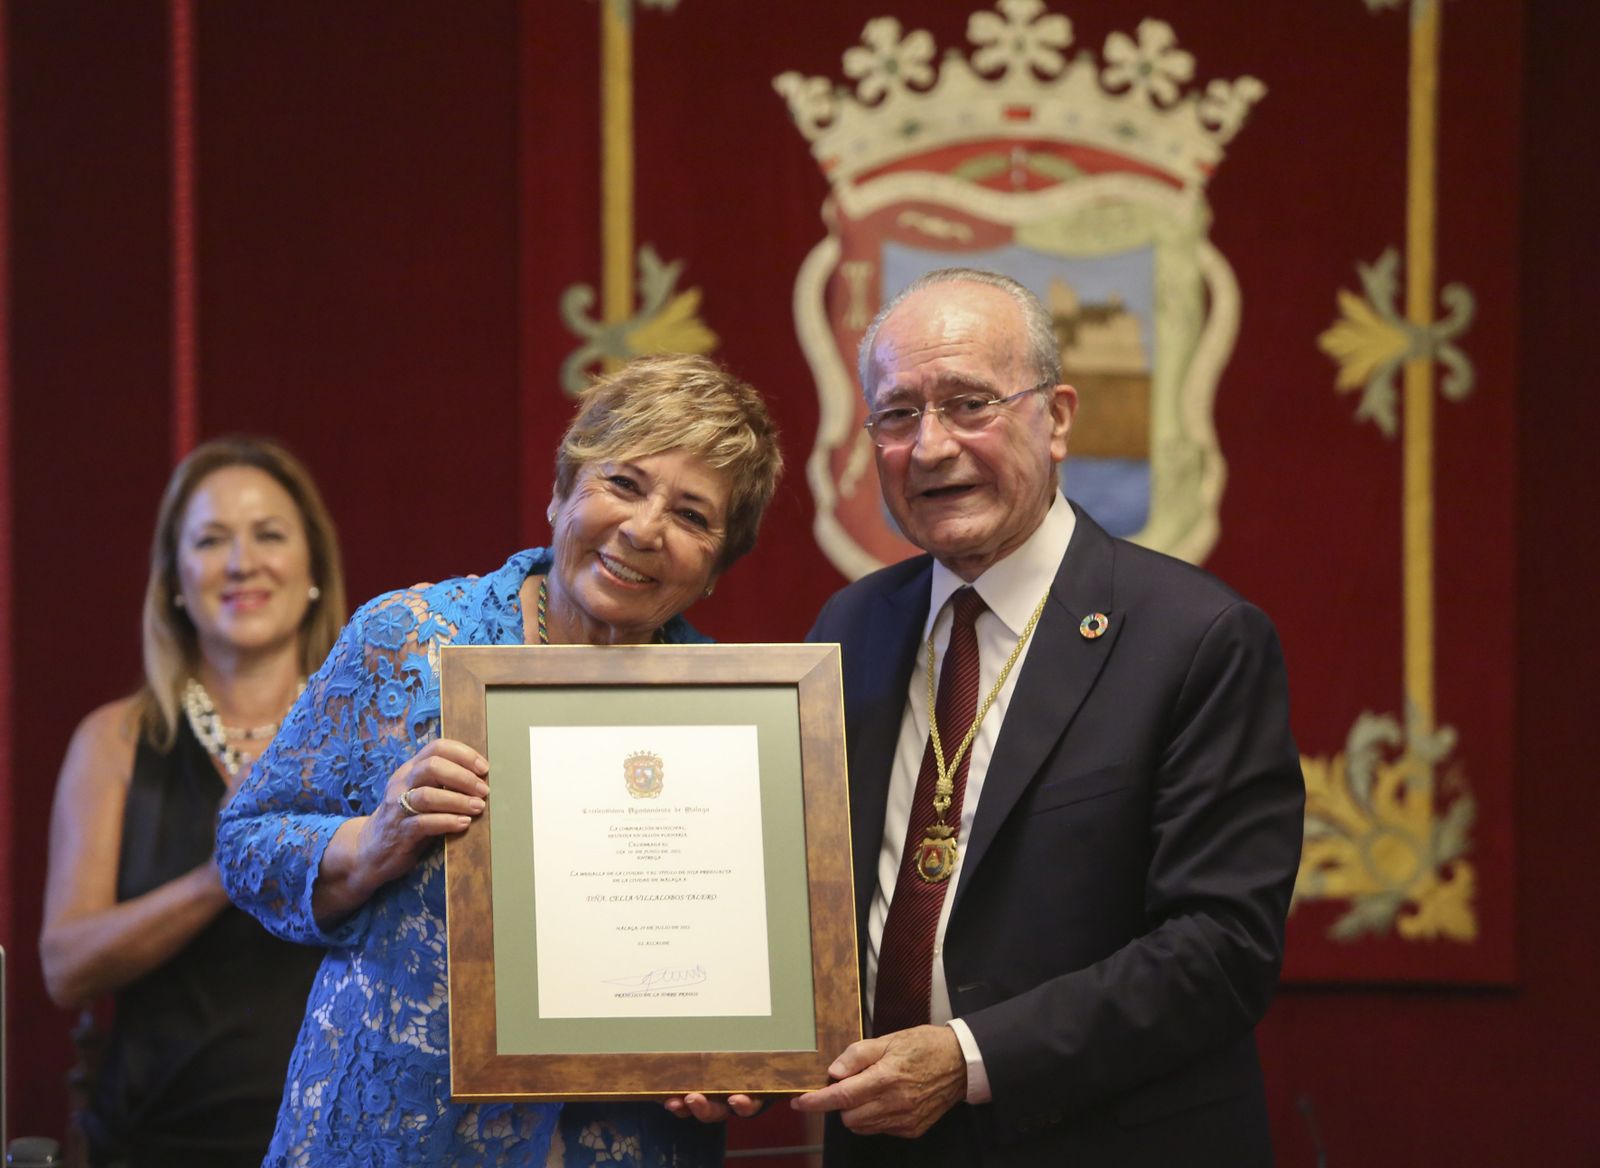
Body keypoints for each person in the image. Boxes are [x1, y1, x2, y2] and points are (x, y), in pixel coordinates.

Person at [216, 353, 783, 1167]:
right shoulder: (407, 640)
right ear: (560, 493)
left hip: (629, 1144)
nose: (644, 528)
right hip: (394, 1138)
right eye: (623, 483)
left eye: (692, 515)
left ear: (718, 568)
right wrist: (371, 841)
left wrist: (751, 1057)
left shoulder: (739, 719)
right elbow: (245, 842)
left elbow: (762, 966)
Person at [795, 268, 1305, 1166]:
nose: (930, 447)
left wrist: (967, 1058)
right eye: (898, 414)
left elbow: (1221, 948)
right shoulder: (852, 626)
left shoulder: (1197, 638)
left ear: (1058, 418)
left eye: (968, 405)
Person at [41, 436, 348, 1167]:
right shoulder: (117, 740)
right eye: (211, 540)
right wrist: (222, 871)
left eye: (268, 534)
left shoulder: (369, 730)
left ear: (312, 567)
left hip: (341, 1137)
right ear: (176, 579)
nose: (242, 562)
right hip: (159, 1142)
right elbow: (66, 967)